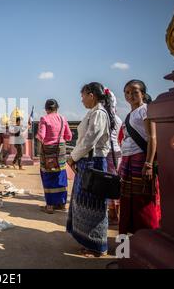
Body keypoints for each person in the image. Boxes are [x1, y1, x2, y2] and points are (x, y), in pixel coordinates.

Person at [66, 82, 115, 257]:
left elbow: (89, 141)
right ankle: (87, 241)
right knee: (82, 203)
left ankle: (97, 246)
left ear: (91, 95)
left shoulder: (100, 114)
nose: (82, 100)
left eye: (83, 96)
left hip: (93, 163)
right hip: (86, 162)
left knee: (94, 205)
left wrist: (72, 158)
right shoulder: (93, 113)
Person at [119, 80, 161, 234]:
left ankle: (148, 239)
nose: (130, 95)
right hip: (128, 160)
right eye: (127, 92)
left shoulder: (146, 110)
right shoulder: (130, 114)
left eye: (135, 92)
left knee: (142, 202)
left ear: (143, 94)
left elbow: (152, 138)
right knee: (127, 201)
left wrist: (149, 164)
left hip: (140, 160)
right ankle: (126, 246)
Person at [36, 99, 73, 214]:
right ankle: (62, 204)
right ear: (57, 108)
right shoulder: (63, 119)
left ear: (46, 109)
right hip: (61, 150)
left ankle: (50, 206)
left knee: (47, 175)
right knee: (60, 175)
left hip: (48, 151)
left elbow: (41, 136)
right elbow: (69, 136)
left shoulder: (44, 119)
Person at [107, 90, 123, 225]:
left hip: (107, 154)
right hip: (118, 153)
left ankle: (112, 215)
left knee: (108, 184)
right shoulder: (118, 119)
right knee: (116, 182)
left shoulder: (104, 118)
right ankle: (116, 214)